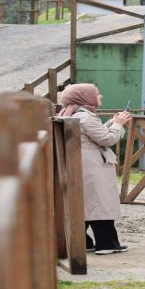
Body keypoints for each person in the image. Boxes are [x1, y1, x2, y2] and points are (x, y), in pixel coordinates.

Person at [59, 83, 133, 254]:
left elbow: (92, 135)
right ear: (84, 98)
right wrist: (119, 125)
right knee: (100, 204)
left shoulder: (71, 114)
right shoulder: (87, 117)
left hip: (81, 164)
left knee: (86, 204)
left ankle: (83, 241)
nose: (100, 97)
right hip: (93, 167)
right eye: (97, 94)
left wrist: (113, 122)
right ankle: (106, 244)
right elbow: (106, 140)